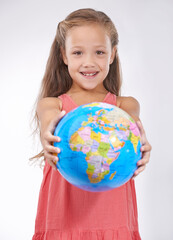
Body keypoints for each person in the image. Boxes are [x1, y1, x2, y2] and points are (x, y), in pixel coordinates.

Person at [31, 8, 152, 240]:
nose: (89, 62)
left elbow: (133, 123)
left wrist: (142, 142)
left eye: (99, 52)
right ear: (63, 56)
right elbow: (48, 120)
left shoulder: (125, 106)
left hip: (113, 222)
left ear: (112, 54)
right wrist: (48, 134)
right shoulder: (53, 105)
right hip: (63, 224)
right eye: (77, 52)